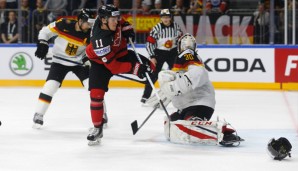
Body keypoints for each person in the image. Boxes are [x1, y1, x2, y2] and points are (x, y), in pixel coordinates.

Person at [146, 33, 244, 146]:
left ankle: (223, 134)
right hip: (186, 106)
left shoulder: (188, 55)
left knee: (188, 124)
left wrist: (174, 87)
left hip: (199, 104)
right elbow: (180, 81)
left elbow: (198, 74)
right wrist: (166, 92)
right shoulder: (183, 62)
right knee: (172, 122)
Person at [85, 4, 155, 146]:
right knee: (96, 95)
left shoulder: (111, 19)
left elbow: (122, 22)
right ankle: (97, 128)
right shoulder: (99, 39)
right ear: (104, 20)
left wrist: (127, 29)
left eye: (116, 18)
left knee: (150, 68)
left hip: (121, 54)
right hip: (101, 63)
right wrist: (135, 69)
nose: (116, 21)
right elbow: (114, 67)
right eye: (113, 19)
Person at [32, 9, 99, 128]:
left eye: (91, 23)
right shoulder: (63, 24)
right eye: (88, 23)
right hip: (59, 62)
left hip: (79, 63)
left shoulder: (91, 33)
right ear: (80, 20)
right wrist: (43, 42)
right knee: (50, 87)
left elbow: (91, 51)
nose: (90, 26)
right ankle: (39, 114)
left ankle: (102, 115)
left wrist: (87, 59)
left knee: (93, 88)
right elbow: (45, 31)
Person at [140, 9, 182, 104]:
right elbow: (149, 43)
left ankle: (178, 95)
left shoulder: (176, 26)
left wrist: (180, 52)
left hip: (173, 53)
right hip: (159, 53)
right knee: (153, 75)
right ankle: (145, 96)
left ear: (170, 17)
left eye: (167, 17)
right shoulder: (156, 28)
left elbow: (180, 40)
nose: (165, 19)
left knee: (176, 73)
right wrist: (152, 56)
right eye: (163, 17)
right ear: (161, 18)